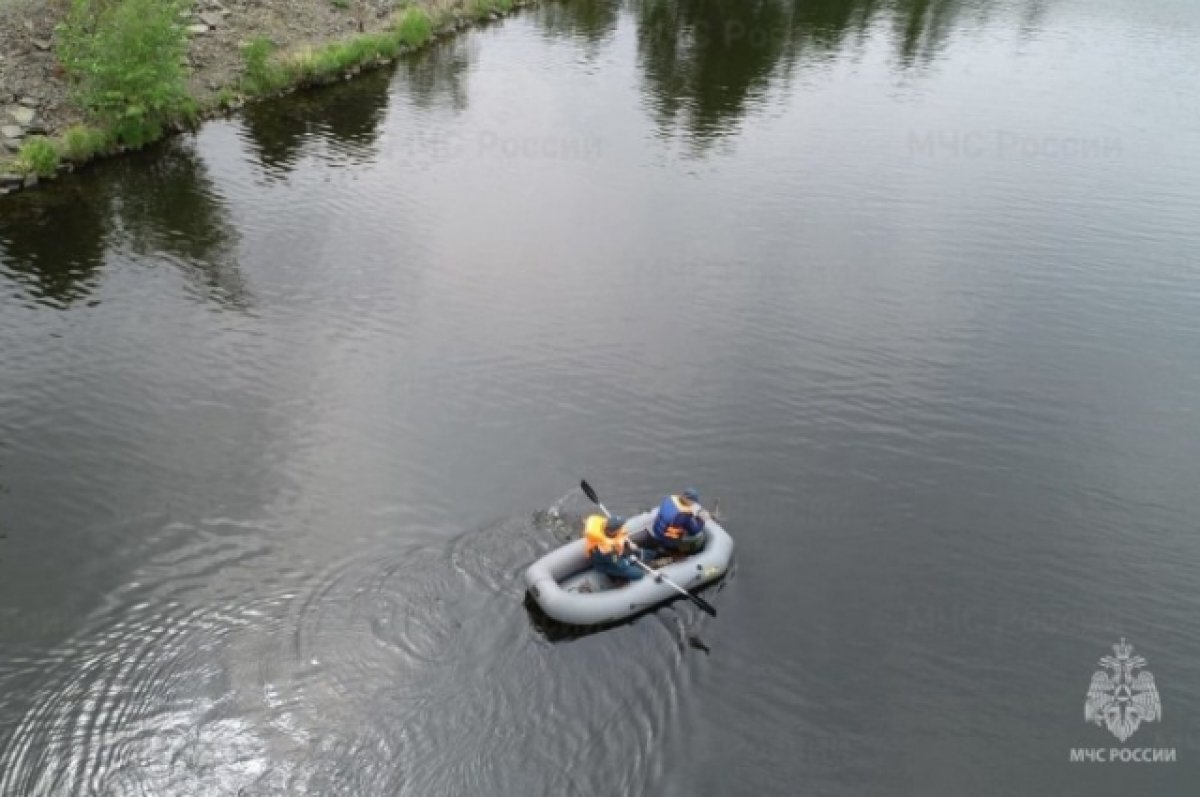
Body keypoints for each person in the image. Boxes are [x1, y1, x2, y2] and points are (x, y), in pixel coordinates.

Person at [583, 514, 652, 581]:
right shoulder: (606, 549)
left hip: (617, 553)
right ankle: (616, 576)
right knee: (638, 574)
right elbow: (618, 564)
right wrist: (629, 560)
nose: (622, 528)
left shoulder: (608, 530)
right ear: (613, 531)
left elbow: (621, 536)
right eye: (620, 527)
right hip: (608, 563)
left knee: (647, 553)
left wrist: (629, 543)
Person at [647, 488, 708, 556]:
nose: (693, 504)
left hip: (656, 531)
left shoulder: (669, 499)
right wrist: (701, 520)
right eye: (693, 502)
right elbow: (694, 530)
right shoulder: (684, 514)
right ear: (689, 500)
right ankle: (681, 552)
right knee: (698, 535)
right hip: (668, 540)